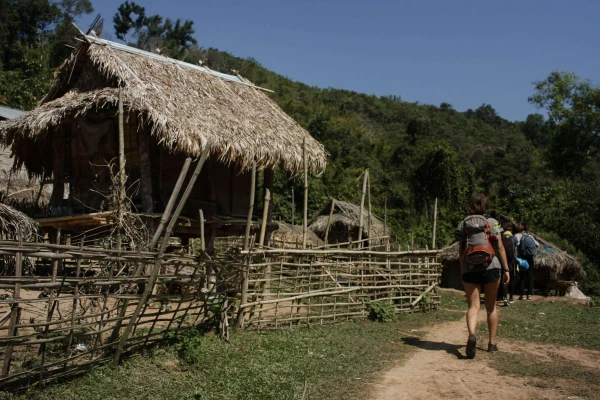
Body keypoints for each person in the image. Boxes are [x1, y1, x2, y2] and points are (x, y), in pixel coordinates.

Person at [456, 193, 509, 359]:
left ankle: (472, 334)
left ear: (469, 207)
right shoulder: (492, 223)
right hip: (491, 267)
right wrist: (506, 269)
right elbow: (500, 247)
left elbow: (460, 251)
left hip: (470, 268)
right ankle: (492, 344)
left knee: (473, 307)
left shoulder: (463, 223)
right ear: (486, 206)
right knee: (491, 307)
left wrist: (463, 270)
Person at [515, 221, 539, 300]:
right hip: (530, 258)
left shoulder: (518, 235)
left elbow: (516, 243)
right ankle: (529, 294)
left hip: (522, 258)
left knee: (522, 276)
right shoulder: (530, 236)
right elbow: (537, 244)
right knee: (530, 276)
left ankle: (522, 295)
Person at [500, 226, 518, 305]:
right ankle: (511, 297)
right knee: (512, 279)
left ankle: (504, 297)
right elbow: (516, 250)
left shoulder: (501, 239)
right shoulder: (514, 239)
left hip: (503, 262)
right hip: (512, 262)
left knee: (504, 279)